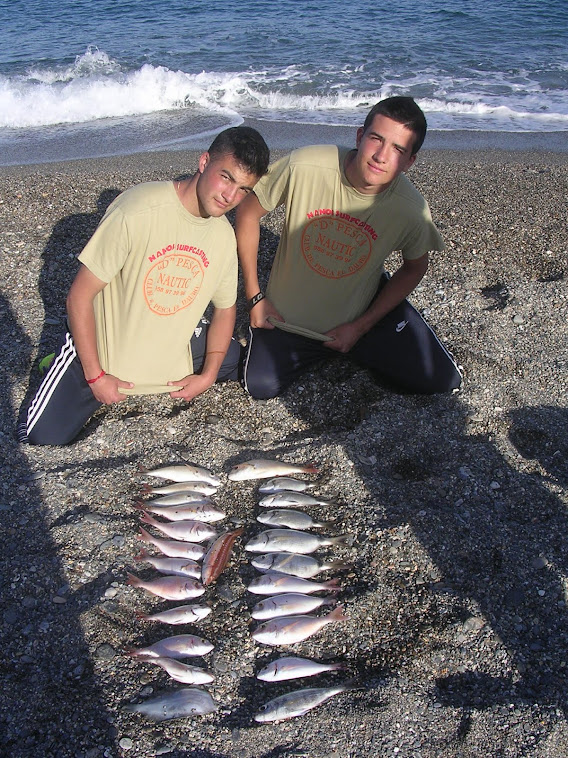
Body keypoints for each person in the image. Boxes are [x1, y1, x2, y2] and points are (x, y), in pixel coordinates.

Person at [19, 125, 270, 445]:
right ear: (204, 161)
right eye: (226, 177)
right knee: (39, 437)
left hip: (172, 348)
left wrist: (206, 377)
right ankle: (60, 361)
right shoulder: (137, 209)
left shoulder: (222, 236)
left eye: (243, 190)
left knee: (239, 360)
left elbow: (225, 309)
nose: (229, 196)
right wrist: (96, 377)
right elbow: (79, 297)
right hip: (104, 357)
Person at [235, 96, 462, 399]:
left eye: (397, 150)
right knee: (259, 385)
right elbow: (248, 213)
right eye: (376, 139)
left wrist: (361, 326)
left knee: (442, 381)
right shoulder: (305, 165)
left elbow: (415, 267)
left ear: (410, 162)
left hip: (361, 320)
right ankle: (330, 350)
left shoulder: (412, 209)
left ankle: (368, 332)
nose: (381, 155)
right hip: (286, 320)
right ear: (359, 136)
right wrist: (255, 296)